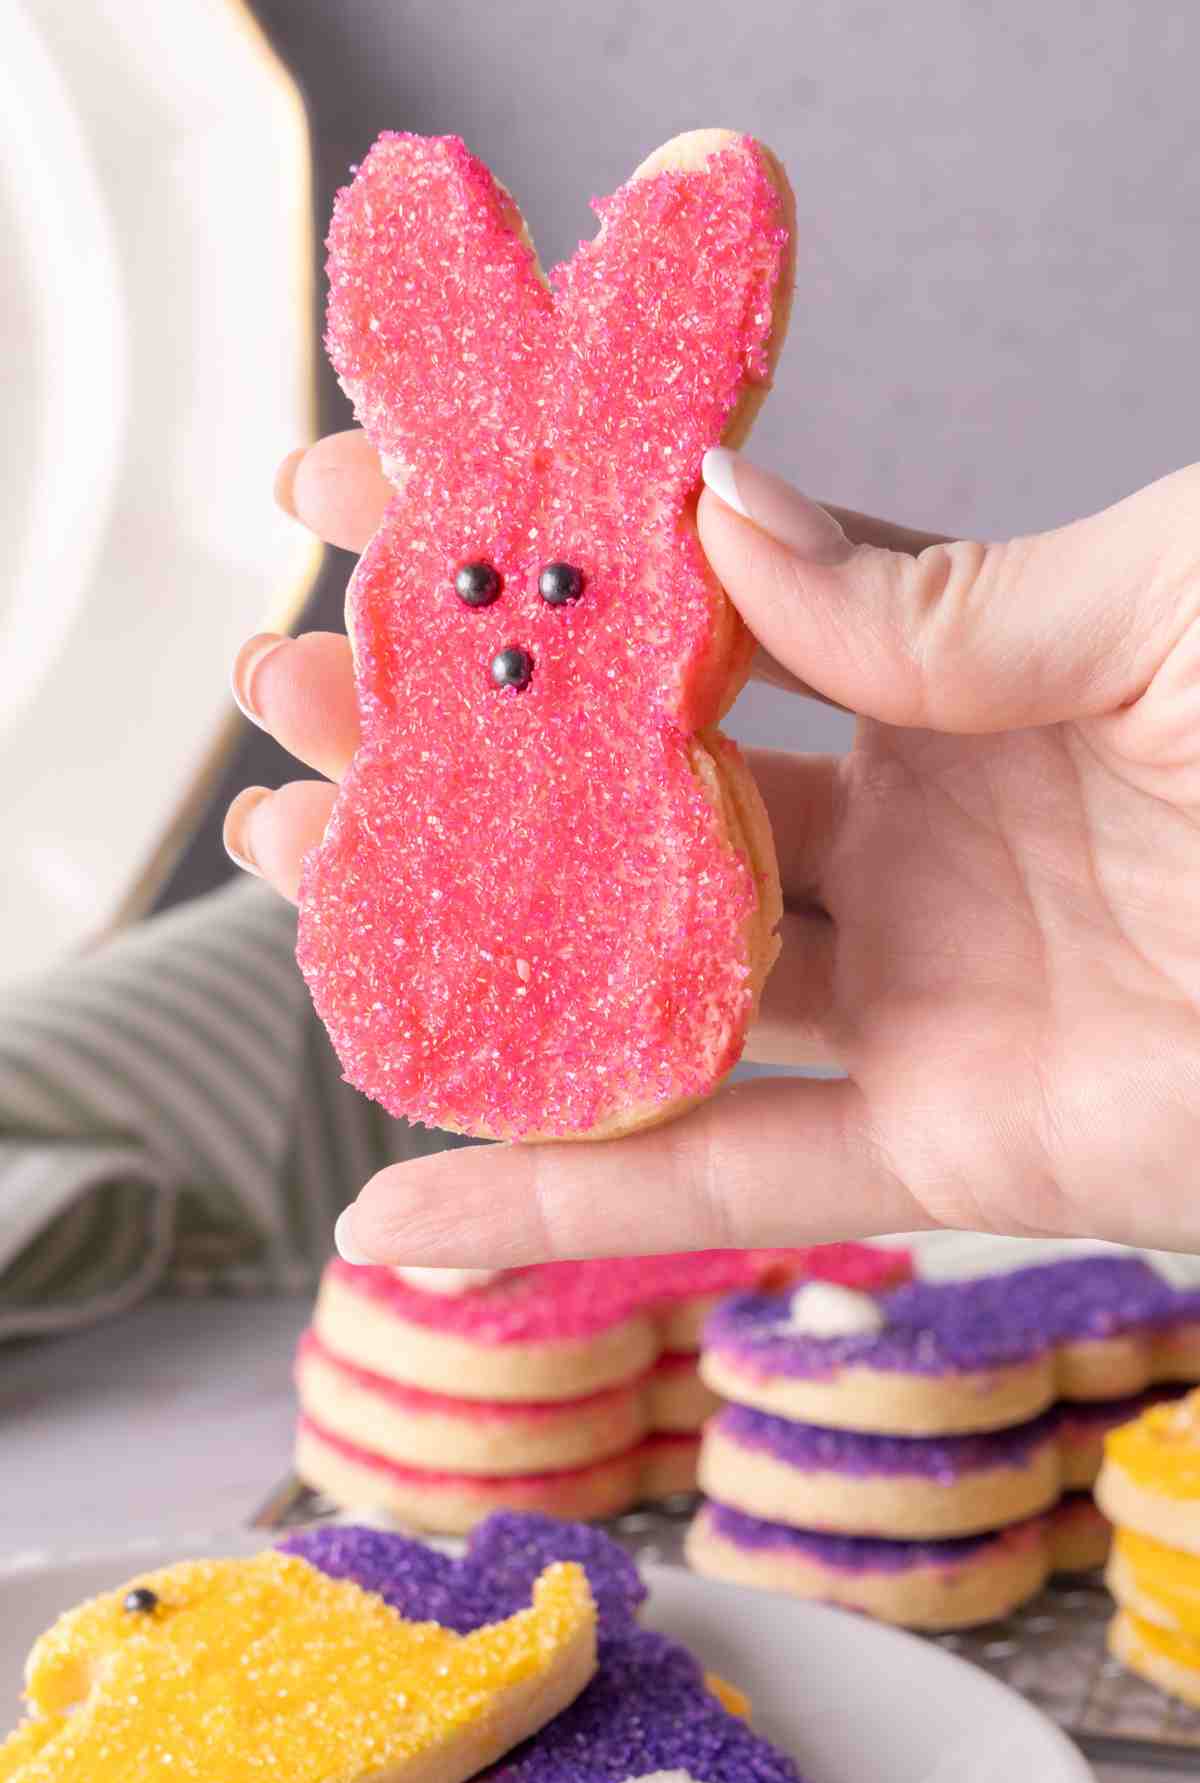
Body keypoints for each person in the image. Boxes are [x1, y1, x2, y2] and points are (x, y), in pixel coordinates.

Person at [225, 432, 1200, 1279]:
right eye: (476, 587)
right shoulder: (417, 793)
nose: (516, 642)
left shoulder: (664, 791)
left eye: (562, 588)